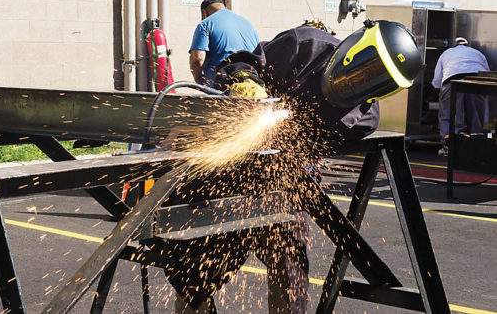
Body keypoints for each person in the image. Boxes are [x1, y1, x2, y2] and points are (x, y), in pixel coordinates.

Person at [165, 19, 421, 314]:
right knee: (195, 275)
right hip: (229, 169)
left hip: (286, 182)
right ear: (355, 50)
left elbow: (307, 151)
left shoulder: (361, 119)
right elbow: (241, 63)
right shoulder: (305, 46)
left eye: (373, 80)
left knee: (291, 274)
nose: (359, 81)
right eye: (363, 70)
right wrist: (246, 83)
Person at [431, 37, 489, 156]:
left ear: (454, 45)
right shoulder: (478, 53)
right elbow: (487, 73)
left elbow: (437, 82)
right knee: (476, 116)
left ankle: (449, 146)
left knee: (449, 115)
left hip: (453, 81)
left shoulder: (446, 53)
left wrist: (431, 97)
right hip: (476, 81)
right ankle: (476, 146)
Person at [189, 0, 259, 86]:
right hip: (252, 82)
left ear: (204, 12)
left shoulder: (206, 24)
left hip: (222, 84)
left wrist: (198, 80)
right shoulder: (248, 24)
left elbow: (198, 58)